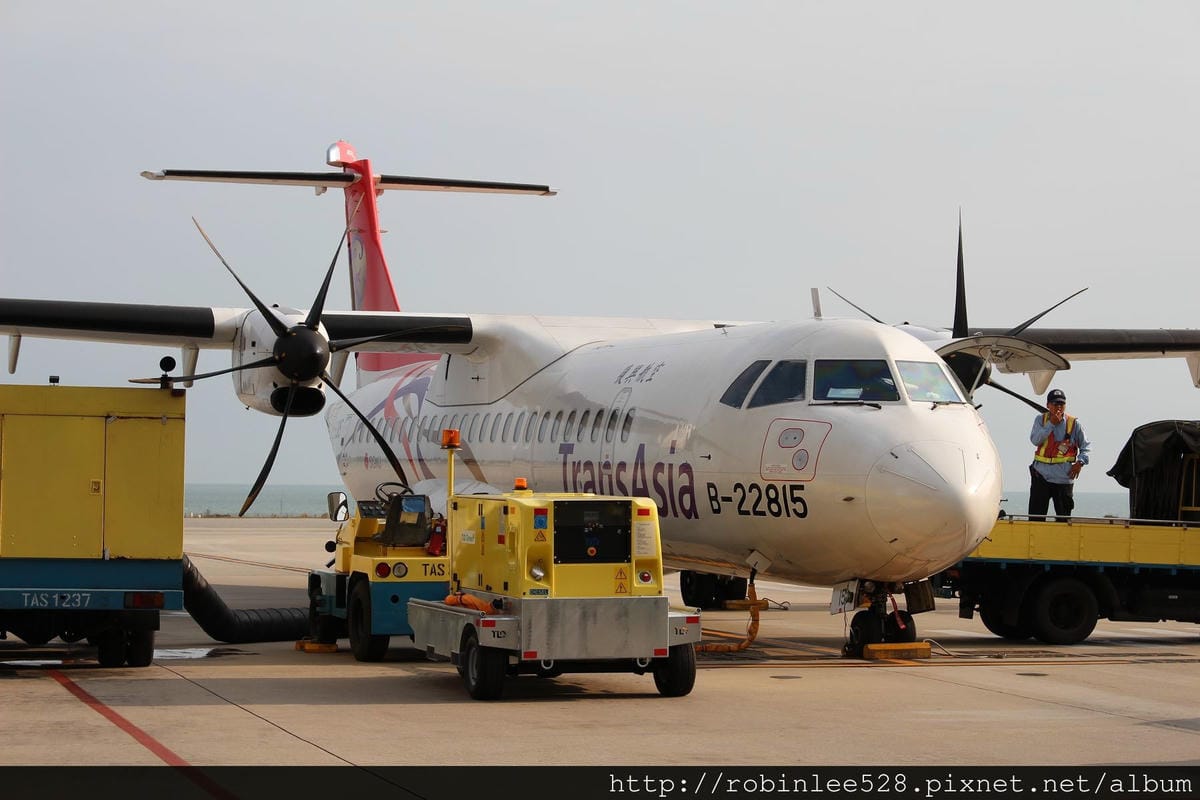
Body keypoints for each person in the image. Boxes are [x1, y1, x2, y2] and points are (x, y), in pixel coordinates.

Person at [1028, 388, 1090, 521]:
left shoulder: (1074, 424)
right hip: (1041, 476)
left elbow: (1086, 447)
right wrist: (1051, 424)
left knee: (1064, 520)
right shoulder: (1041, 420)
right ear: (1048, 405)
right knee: (1035, 519)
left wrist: (1080, 463)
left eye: (1061, 404)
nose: (1059, 407)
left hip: (1063, 478)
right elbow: (1035, 440)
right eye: (1055, 404)